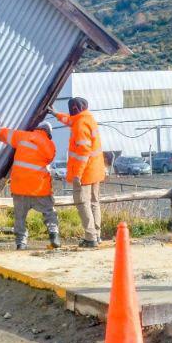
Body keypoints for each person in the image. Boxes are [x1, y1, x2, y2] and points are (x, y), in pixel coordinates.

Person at [0, 114, 60, 250]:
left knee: (20, 217)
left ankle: (21, 243)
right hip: (39, 188)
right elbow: (49, 159)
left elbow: (1, 133)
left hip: (19, 187)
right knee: (49, 212)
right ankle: (54, 235)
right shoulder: (50, 145)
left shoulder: (22, 136)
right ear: (48, 133)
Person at [53, 97, 105, 248]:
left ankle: (90, 237)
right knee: (94, 203)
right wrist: (56, 114)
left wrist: (78, 175)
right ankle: (97, 234)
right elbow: (70, 120)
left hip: (85, 172)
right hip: (95, 170)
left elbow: (83, 152)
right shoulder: (87, 118)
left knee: (83, 202)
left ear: (74, 109)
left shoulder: (80, 125)